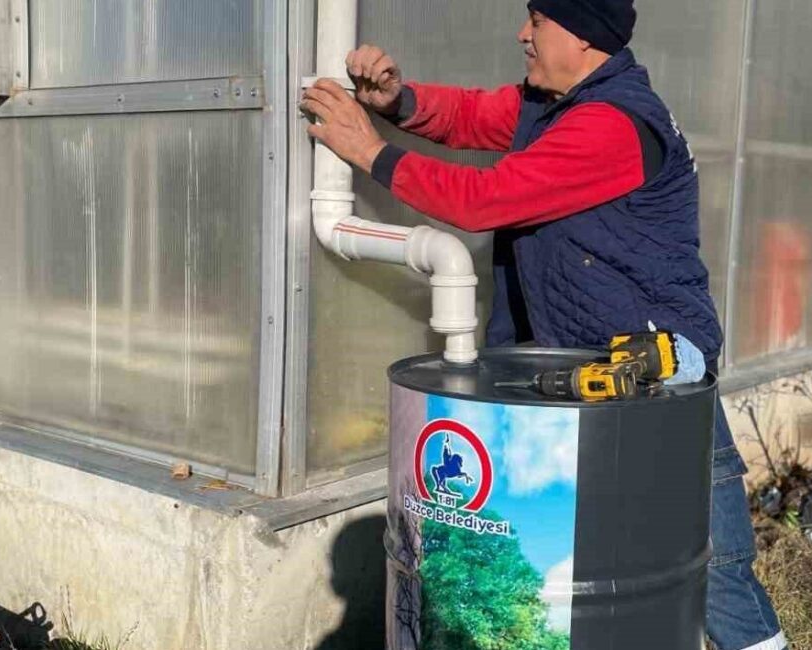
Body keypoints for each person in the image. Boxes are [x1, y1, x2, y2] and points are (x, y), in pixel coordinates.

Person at [301, 0, 786, 648]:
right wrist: (397, 99)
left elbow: (482, 200)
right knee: (577, 569)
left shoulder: (613, 125)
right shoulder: (549, 103)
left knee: (716, 575)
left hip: (658, 380)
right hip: (575, 379)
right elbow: (471, 115)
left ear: (584, 37)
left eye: (539, 20)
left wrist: (369, 150)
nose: (522, 33)